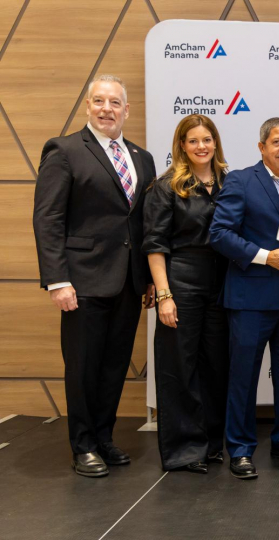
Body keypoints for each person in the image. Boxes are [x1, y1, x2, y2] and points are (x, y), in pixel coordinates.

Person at [32, 74, 156, 477]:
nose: (107, 109)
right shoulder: (65, 150)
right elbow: (48, 218)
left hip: (128, 282)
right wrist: (57, 280)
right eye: (99, 101)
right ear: (87, 105)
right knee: (83, 367)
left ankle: (103, 438)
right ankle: (83, 445)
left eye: (115, 102)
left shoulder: (142, 158)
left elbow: (142, 223)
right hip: (82, 280)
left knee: (114, 365)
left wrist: (149, 278)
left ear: (126, 110)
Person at [209, 118, 279, 480]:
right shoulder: (241, 181)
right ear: (262, 147)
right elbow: (219, 233)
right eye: (277, 142)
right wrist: (264, 256)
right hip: (251, 299)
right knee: (243, 377)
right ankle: (240, 449)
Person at [142, 114, 230, 474]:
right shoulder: (167, 186)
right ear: (182, 145)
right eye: (193, 140)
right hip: (181, 280)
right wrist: (165, 295)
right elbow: (155, 244)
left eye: (207, 139)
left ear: (215, 142)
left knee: (216, 366)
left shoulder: (228, 182)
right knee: (179, 366)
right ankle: (184, 450)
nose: (201, 146)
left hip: (222, 283)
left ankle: (211, 444)